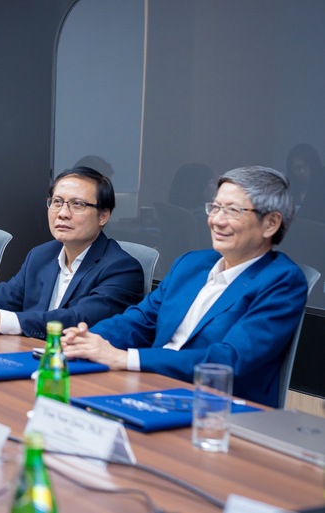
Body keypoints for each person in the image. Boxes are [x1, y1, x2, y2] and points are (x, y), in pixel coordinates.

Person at [61, 166, 308, 407]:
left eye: (232, 210)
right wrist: (89, 339)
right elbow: (140, 320)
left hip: (216, 407)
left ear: (270, 223)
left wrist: (126, 358)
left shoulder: (282, 281)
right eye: (215, 207)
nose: (216, 220)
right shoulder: (191, 264)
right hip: (151, 387)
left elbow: (228, 360)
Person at [0, 167, 144, 339]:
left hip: (78, 366)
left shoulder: (122, 269)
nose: (63, 213)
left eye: (78, 204)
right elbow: (2, 299)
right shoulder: (41, 255)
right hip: (28, 354)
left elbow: (78, 319)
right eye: (57, 202)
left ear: (103, 216)